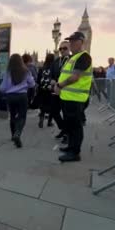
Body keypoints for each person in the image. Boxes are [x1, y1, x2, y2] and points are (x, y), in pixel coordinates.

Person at [54, 32, 93, 162]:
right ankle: (70, 146)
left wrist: (60, 85)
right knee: (70, 125)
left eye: (73, 41)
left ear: (81, 42)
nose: (70, 43)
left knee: (75, 126)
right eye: (69, 41)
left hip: (76, 98)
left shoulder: (84, 57)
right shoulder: (73, 57)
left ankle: (74, 152)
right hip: (68, 97)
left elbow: (75, 77)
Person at [0, 54, 35, 148]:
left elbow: (3, 87)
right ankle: (17, 133)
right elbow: (32, 84)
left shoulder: (8, 72)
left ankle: (13, 135)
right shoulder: (26, 71)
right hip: (22, 96)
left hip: (10, 97)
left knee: (12, 116)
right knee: (22, 116)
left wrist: (5, 90)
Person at [50, 41, 70, 142]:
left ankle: (67, 134)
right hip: (56, 91)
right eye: (60, 49)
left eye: (64, 48)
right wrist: (52, 80)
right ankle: (63, 129)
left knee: (67, 114)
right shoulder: (56, 61)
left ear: (69, 48)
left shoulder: (72, 60)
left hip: (67, 92)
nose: (62, 50)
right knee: (54, 111)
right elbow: (51, 74)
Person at [37, 53, 55, 128]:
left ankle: (41, 119)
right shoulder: (54, 68)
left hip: (42, 89)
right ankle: (49, 122)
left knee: (42, 105)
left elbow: (38, 80)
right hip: (51, 89)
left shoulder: (42, 68)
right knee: (52, 106)